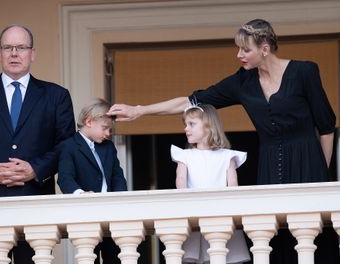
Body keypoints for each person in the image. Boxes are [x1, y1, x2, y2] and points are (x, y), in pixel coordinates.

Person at [107, 19, 338, 263]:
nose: (239, 55)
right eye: (238, 49)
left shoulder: (304, 72)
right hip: (270, 170)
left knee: (316, 240)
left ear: (265, 49)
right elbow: (189, 102)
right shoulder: (242, 82)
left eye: (245, 49)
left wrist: (321, 174)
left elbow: (326, 126)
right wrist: (139, 110)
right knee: (276, 241)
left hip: (309, 164)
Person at [0, 25, 76, 263]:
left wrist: (35, 169)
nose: (14, 53)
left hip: (36, 204)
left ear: (32, 53)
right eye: (8, 47)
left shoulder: (56, 96)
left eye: (21, 47)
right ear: (0, 53)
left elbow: (67, 144)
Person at [171, 104, 250, 264]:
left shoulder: (227, 156)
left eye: (192, 124)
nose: (186, 128)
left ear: (208, 126)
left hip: (221, 212)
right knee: (195, 257)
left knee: (222, 256)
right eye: (185, 124)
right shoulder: (184, 155)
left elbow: (233, 186)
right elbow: (180, 181)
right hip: (194, 211)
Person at [56, 98, 127, 264]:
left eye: (110, 129)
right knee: (89, 257)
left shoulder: (108, 147)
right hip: (85, 212)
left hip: (111, 211)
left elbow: (117, 176)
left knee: (115, 256)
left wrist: (120, 198)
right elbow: (65, 178)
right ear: (89, 121)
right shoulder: (69, 146)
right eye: (105, 128)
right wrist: (80, 194)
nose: (108, 134)